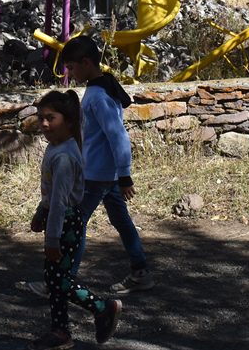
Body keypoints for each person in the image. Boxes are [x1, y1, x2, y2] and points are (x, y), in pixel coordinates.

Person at [25, 35, 153, 298]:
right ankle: (139, 271)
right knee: (121, 220)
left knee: (75, 225)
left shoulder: (98, 96)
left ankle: (61, 282)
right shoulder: (102, 89)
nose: (69, 74)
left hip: (97, 175)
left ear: (86, 63)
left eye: (71, 68)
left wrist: (125, 173)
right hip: (107, 173)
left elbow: (117, 135)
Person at [28, 89, 122, 350]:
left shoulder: (65, 157)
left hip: (65, 223)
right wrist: (40, 211)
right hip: (58, 219)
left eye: (51, 117)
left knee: (60, 280)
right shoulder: (55, 147)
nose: (44, 123)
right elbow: (51, 193)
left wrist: (52, 237)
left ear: (68, 121)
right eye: (41, 117)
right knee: (54, 279)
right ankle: (60, 332)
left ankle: (102, 307)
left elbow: (60, 201)